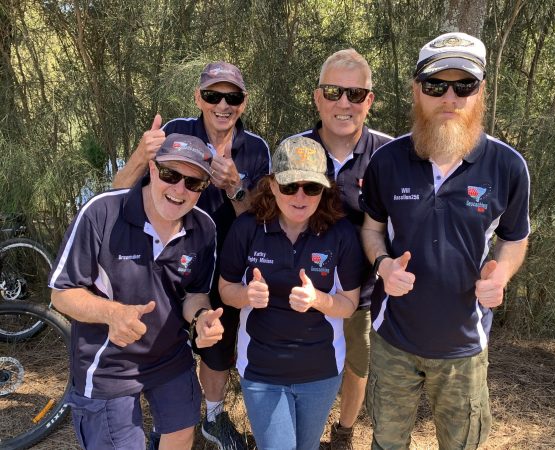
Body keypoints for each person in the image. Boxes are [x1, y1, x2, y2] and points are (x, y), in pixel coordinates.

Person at [359, 32, 530, 450]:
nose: (449, 97)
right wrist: (382, 265)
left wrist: (501, 275)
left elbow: (514, 238)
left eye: (463, 85)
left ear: (480, 91)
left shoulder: (507, 166)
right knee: (387, 443)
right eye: (436, 85)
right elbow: (371, 229)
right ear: (417, 91)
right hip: (392, 339)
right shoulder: (388, 160)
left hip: (464, 347)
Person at [113, 61, 270, 449]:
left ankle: (212, 420)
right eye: (213, 95)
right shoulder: (173, 134)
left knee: (216, 347)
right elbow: (116, 195)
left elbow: (263, 223)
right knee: (158, 342)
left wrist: (235, 188)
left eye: (232, 97)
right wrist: (139, 155)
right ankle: (163, 424)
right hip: (167, 263)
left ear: (243, 103)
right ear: (199, 97)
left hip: (227, 269)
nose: (222, 105)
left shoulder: (257, 149)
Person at [48, 134, 225, 450]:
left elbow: (194, 294)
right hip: (108, 364)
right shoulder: (103, 213)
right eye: (171, 174)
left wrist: (201, 318)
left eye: (193, 182)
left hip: (170, 356)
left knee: (182, 431)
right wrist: (113, 312)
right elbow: (62, 293)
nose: (179, 189)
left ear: (203, 188)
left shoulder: (204, 228)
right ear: (153, 169)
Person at [218, 136, 365, 450]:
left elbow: (350, 304)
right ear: (272, 186)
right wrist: (246, 295)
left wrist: (319, 300)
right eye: (289, 186)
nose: (300, 197)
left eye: (310, 188)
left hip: (321, 372)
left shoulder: (340, 234)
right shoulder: (247, 228)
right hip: (261, 371)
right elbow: (225, 289)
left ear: (323, 189)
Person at [293, 49, 392, 449]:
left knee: (357, 364)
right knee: (302, 363)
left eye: (355, 93)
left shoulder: (389, 155)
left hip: (362, 293)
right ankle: (300, 434)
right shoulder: (295, 149)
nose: (344, 103)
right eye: (333, 91)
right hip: (301, 287)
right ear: (318, 97)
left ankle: (344, 433)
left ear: (369, 100)